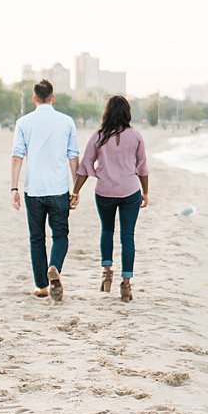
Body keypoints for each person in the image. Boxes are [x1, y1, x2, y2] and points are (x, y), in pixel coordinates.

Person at [72, 95, 149, 302]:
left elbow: (85, 166)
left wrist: (76, 191)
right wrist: (145, 191)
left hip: (105, 191)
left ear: (107, 112)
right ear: (127, 113)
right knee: (128, 236)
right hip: (130, 191)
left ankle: (107, 273)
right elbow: (142, 167)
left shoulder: (99, 136)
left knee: (107, 229)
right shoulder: (136, 136)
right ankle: (126, 285)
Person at [10, 80, 79, 301]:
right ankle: (55, 266)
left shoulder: (24, 122)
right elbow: (73, 156)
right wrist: (76, 188)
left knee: (37, 237)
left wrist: (14, 188)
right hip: (58, 188)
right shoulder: (66, 122)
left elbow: (17, 156)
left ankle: (41, 285)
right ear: (53, 97)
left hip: (34, 189)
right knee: (60, 235)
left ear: (34, 98)